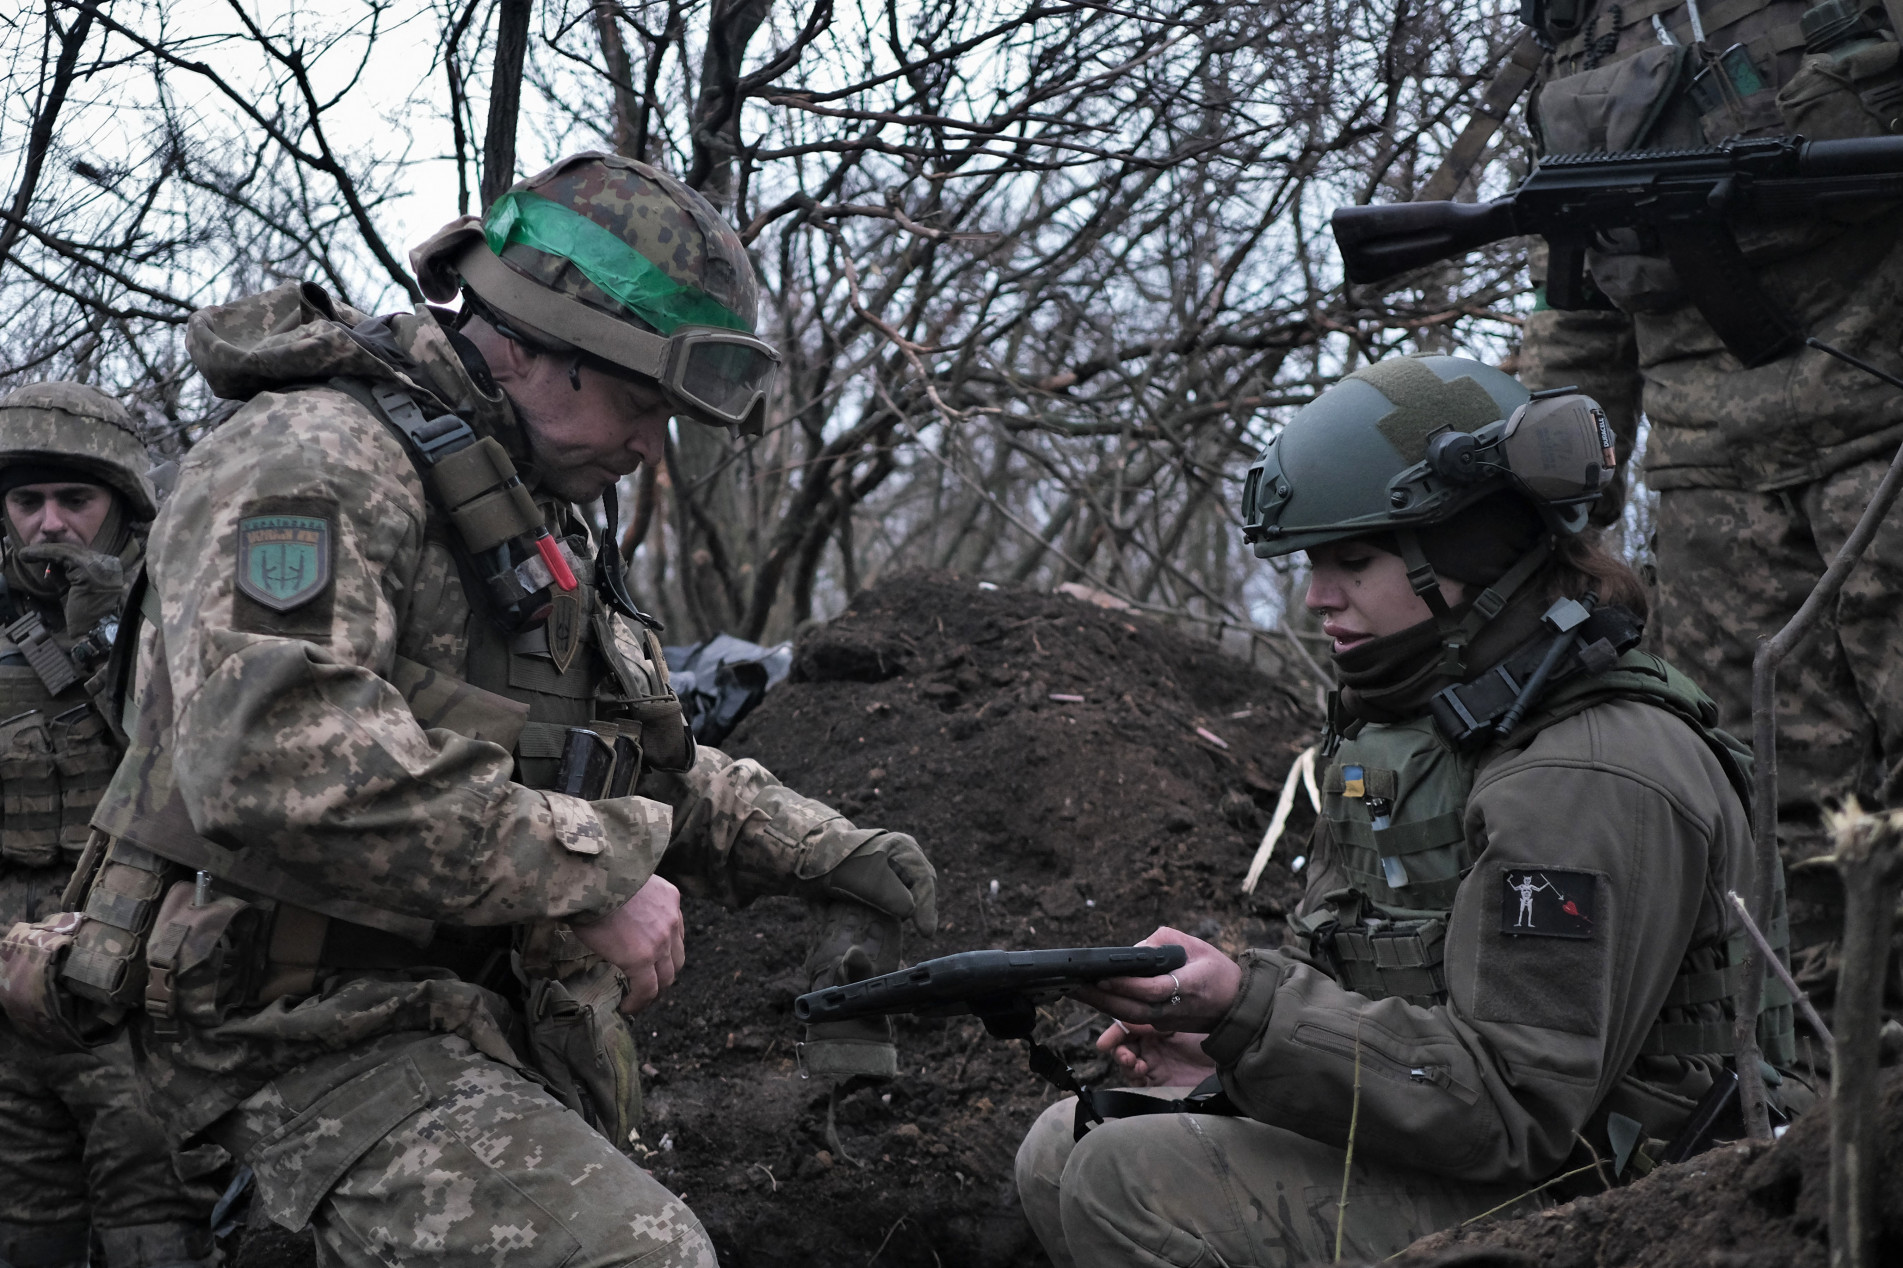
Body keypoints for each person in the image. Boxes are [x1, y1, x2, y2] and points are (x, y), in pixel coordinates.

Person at [31, 154, 935, 1266]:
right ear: (536, 345)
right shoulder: (313, 462)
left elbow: (614, 755)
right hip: (279, 1030)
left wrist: (824, 848)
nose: (653, 447)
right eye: (644, 403)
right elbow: (273, 765)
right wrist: (597, 873)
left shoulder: (523, 509)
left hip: (448, 1010)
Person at [1014, 355, 1806, 1267]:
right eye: (1312, 562)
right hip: (1491, 1151)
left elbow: (1517, 1107)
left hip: (1634, 1199)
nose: (1317, 597)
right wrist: (1226, 1052)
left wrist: (1248, 1014)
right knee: (1061, 1145)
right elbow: (1385, 1012)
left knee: (1130, 1176)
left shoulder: (1587, 773)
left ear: (1471, 555)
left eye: (1353, 559)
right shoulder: (1417, 739)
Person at [1512, 0, 1903, 838]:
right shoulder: (1578, 35)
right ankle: (1806, 976)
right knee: (1764, 814)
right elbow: (1574, 299)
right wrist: (1550, 504)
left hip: (1887, 446)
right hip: (1713, 505)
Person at [0, 382, 222, 1268]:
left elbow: (206, 768)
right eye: (27, 501)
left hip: (133, 979)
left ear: (122, 508)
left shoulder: (185, 608)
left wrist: (110, 632)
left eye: (75, 500)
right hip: (9, 981)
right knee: (26, 1228)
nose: (50, 524)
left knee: (155, 1221)